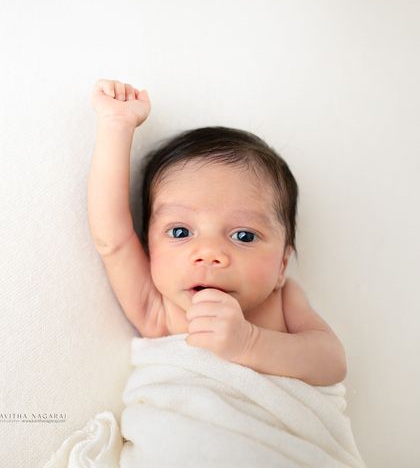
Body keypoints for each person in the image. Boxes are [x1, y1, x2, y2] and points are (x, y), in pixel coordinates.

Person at [88, 78, 347, 386]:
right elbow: (112, 239)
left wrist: (249, 343)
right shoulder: (159, 309)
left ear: (281, 265)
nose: (209, 253)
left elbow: (331, 364)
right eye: (181, 231)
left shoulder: (284, 300)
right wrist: (117, 127)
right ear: (148, 246)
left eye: (244, 236)